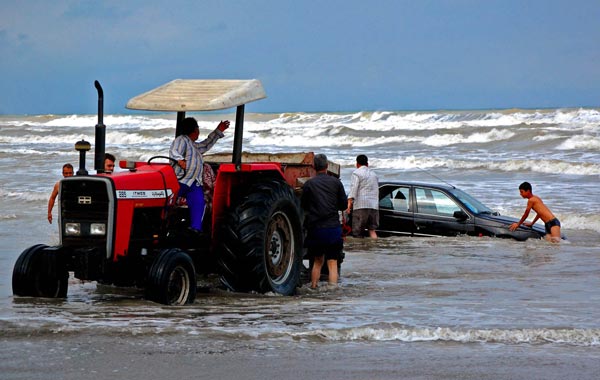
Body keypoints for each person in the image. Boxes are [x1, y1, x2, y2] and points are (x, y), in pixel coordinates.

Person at [169, 117, 229, 233]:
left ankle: (195, 229)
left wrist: (218, 131)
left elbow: (206, 145)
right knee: (168, 202)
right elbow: (174, 151)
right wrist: (180, 160)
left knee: (199, 202)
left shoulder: (194, 146)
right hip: (180, 180)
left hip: (193, 182)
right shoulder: (182, 140)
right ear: (195, 130)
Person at [301, 154, 348, 289]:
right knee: (332, 262)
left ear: (314, 167)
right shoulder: (336, 183)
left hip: (316, 229)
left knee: (317, 261)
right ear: (327, 166)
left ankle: (314, 286)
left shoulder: (309, 184)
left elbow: (303, 205)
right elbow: (343, 205)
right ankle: (332, 289)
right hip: (333, 228)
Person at [346, 154, 379, 238]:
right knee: (372, 230)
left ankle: (359, 251)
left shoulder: (356, 173)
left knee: (358, 233)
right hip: (374, 206)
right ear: (367, 164)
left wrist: (349, 206)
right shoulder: (374, 174)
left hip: (361, 206)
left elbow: (354, 189)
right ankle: (374, 248)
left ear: (357, 164)